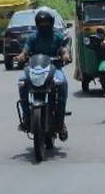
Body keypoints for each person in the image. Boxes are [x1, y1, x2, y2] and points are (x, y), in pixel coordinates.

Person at [15, 8, 71, 140]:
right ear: (37, 23)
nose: (43, 25)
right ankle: (26, 117)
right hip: (35, 69)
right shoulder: (33, 37)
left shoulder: (57, 35)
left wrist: (65, 54)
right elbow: (26, 51)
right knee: (22, 83)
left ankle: (60, 122)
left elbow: (64, 47)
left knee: (62, 83)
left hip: (54, 69)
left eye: (46, 22)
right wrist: (21, 57)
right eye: (41, 22)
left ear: (51, 23)